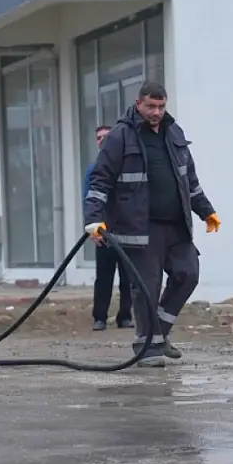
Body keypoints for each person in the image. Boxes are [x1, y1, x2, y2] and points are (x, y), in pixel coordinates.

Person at [83, 81, 221, 368]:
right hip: (139, 228)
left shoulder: (174, 133)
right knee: (147, 287)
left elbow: (189, 181)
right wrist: (94, 220)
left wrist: (206, 211)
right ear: (138, 104)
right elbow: (100, 181)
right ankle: (147, 347)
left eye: (161, 106)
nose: (156, 112)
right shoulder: (121, 136)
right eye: (151, 106)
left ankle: (156, 335)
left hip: (176, 226)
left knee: (188, 274)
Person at [83, 124, 133, 331]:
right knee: (103, 277)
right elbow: (88, 199)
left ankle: (125, 316)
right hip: (104, 231)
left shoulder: (126, 166)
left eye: (107, 137)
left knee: (128, 277)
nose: (102, 140)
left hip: (126, 230)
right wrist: (91, 227)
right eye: (99, 138)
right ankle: (100, 317)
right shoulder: (93, 169)